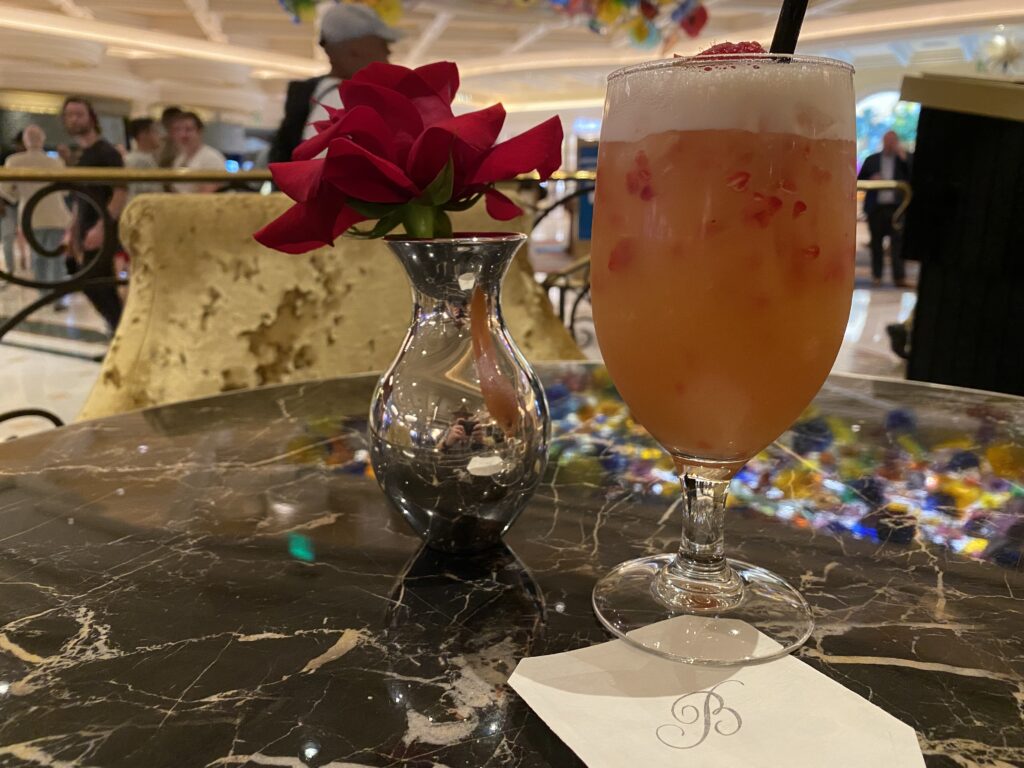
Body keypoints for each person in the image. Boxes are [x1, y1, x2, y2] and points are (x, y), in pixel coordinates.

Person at [269, 3, 401, 163]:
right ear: (354, 49)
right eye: (382, 44)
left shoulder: (318, 94)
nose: (388, 52)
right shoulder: (342, 99)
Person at [62, 95, 126, 331]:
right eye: (69, 115)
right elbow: (81, 198)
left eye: (79, 114)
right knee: (93, 285)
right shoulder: (83, 155)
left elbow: (120, 192)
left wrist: (102, 226)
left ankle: (122, 337)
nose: (74, 119)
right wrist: (72, 230)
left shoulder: (107, 152)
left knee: (99, 286)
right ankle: (118, 338)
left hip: (102, 230)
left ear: (91, 118)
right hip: (86, 229)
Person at [0, 125, 71, 300]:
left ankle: (44, 292)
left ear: (25, 141)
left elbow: (7, 193)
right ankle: (56, 294)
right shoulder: (56, 162)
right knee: (55, 255)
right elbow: (65, 191)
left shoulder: (13, 162)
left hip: (30, 216)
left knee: (38, 255)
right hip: (57, 215)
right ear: (43, 140)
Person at [858, 130, 912, 288]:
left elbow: (911, 178)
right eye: (887, 140)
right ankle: (877, 276)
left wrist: (903, 157)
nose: (890, 143)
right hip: (876, 208)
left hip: (897, 208)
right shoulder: (872, 160)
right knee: (876, 244)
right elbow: (859, 180)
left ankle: (899, 277)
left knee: (897, 245)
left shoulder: (903, 159)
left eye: (892, 141)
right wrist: (871, 179)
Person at [169, 112, 226, 193]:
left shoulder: (211, 158)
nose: (183, 135)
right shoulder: (179, 158)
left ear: (199, 131)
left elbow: (207, 194)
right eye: (178, 130)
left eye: (188, 129)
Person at [124, 117, 163, 200]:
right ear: (143, 134)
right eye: (155, 131)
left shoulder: (148, 158)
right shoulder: (137, 160)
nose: (160, 135)